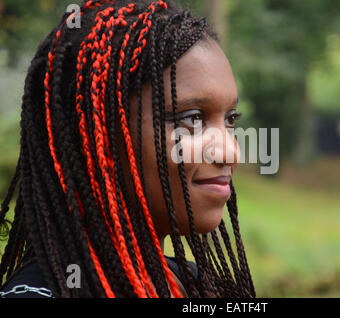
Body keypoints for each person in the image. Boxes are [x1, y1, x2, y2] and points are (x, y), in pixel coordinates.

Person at [0, 0, 255, 298]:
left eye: (230, 120)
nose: (229, 152)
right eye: (193, 119)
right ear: (98, 133)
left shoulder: (200, 288)